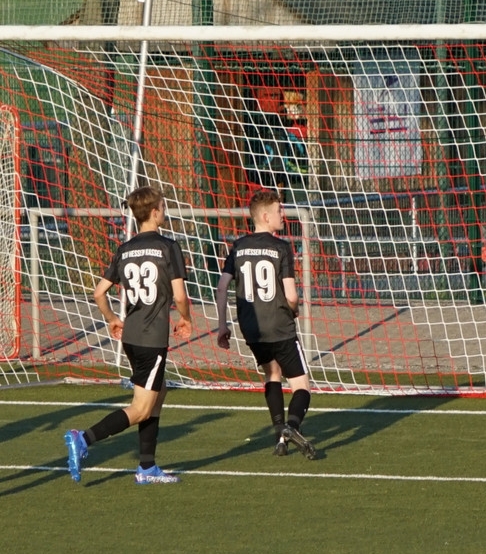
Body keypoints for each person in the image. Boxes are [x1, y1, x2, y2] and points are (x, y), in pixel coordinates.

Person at [64, 186, 193, 484]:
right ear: (155, 212)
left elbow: (99, 293)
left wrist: (112, 319)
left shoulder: (125, 249)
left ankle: (147, 467)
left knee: (158, 394)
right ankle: (83, 438)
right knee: (142, 408)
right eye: (163, 206)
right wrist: (185, 318)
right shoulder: (169, 246)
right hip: (151, 338)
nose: (165, 211)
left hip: (132, 337)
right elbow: (180, 295)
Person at [215, 188, 316, 459]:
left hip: (252, 328)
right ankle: (291, 426)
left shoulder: (238, 246)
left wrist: (223, 325)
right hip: (279, 324)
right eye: (278, 210)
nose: (283, 214)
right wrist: (294, 309)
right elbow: (291, 296)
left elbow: (222, 287)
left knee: (272, 374)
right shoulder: (281, 247)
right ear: (265, 216)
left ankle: (280, 437)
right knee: (302, 387)